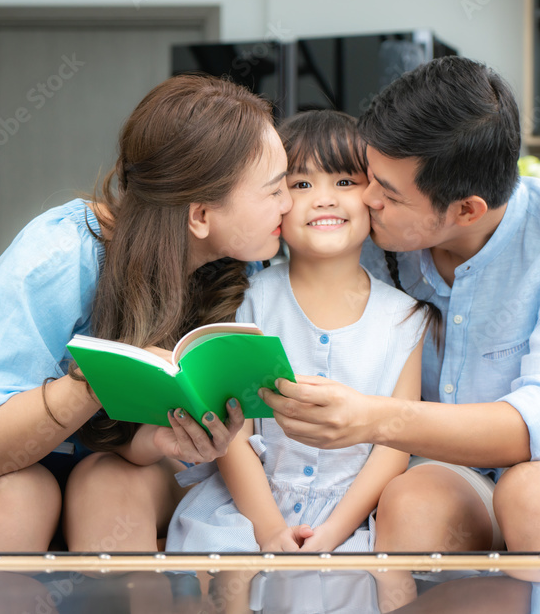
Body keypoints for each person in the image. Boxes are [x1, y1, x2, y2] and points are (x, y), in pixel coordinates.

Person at [259, 56, 540, 554]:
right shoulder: (367, 238)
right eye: (367, 176)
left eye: (389, 194)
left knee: (535, 495)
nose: (365, 199)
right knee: (415, 501)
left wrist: (373, 418)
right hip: (461, 482)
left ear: (466, 210)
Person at [0, 74, 293, 551]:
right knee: (24, 494)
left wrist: (168, 442)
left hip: (113, 469)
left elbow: (129, 447)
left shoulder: (245, 262)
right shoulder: (62, 254)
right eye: (275, 190)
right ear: (200, 215)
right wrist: (99, 379)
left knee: (108, 485)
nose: (290, 203)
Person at [166, 110, 428, 553]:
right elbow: (234, 434)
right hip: (249, 512)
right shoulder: (249, 300)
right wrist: (268, 529)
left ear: (375, 196)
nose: (324, 199)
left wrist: (336, 531)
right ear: (276, 204)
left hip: (353, 521)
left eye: (344, 182)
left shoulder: (405, 318)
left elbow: (394, 444)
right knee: (228, 571)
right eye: (301, 185)